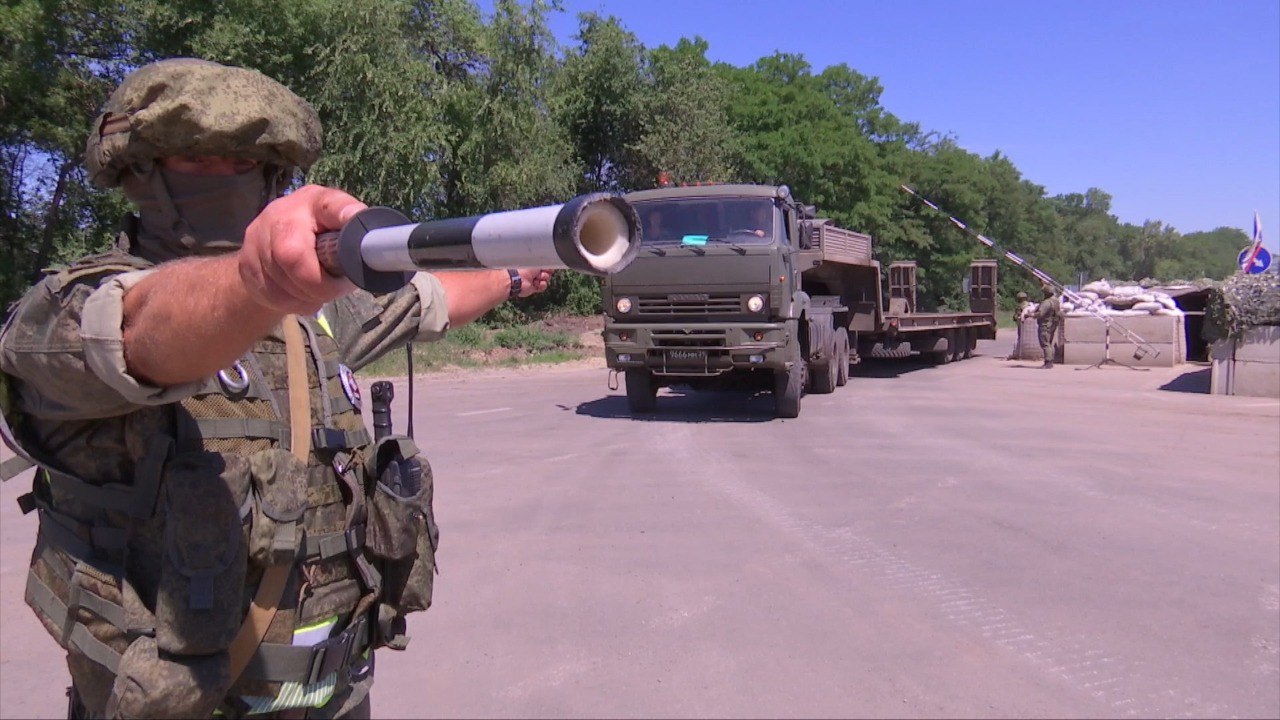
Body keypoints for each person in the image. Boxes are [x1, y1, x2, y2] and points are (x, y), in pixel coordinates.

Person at [0, 58, 554, 719]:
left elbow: (426, 301)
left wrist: (515, 277)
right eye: (200, 159)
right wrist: (256, 282)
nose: (233, 177)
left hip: (333, 695)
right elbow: (135, 333)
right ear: (140, 170)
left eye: (251, 161)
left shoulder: (308, 317)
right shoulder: (66, 312)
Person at [1034, 284, 1063, 368]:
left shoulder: (1047, 302)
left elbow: (1040, 313)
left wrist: (1031, 315)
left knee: (1045, 343)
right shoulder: (1056, 301)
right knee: (1049, 343)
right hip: (1053, 324)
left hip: (1045, 324)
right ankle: (1050, 360)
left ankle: (1048, 362)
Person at [1008, 291, 1031, 360]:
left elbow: (1017, 315)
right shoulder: (1028, 304)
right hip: (1026, 323)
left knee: (1021, 338)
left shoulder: (1022, 305)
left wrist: (1016, 317)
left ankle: (1020, 354)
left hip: (1022, 323)